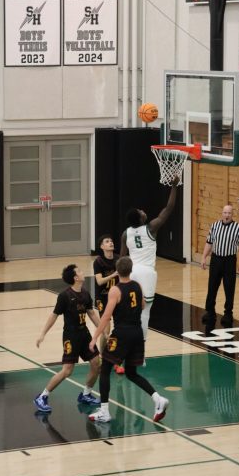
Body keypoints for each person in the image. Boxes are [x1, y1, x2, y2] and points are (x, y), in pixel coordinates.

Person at [88, 256, 168, 423]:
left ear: (118, 271)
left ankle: (104, 411)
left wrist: (95, 337)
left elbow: (106, 317)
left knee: (105, 370)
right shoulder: (137, 286)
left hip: (122, 334)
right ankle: (157, 399)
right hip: (137, 333)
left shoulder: (115, 290)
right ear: (131, 270)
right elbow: (143, 306)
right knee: (131, 373)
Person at [34, 264, 101, 413]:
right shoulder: (64, 296)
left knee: (96, 363)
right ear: (75, 278)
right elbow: (54, 315)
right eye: (80, 271)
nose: (83, 272)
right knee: (67, 370)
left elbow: (91, 313)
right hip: (71, 336)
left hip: (85, 334)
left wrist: (102, 330)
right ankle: (42, 396)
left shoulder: (85, 293)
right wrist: (43, 334)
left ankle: (86, 394)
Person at [120, 177, 179, 341]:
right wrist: (174, 186)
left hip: (131, 273)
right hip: (146, 273)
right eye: (141, 212)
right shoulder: (151, 228)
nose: (143, 211)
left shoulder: (126, 233)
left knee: (130, 311)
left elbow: (122, 259)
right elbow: (169, 207)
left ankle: (125, 343)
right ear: (140, 219)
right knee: (145, 312)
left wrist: (120, 278)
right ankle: (141, 351)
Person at [201, 204, 239, 327]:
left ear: (233, 214)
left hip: (229, 261)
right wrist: (204, 257)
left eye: (229, 213)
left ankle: (228, 313)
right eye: (225, 213)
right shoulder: (215, 226)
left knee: (229, 287)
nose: (227, 215)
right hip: (216, 259)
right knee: (212, 286)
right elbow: (209, 242)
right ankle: (210, 311)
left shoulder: (238, 228)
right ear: (222, 213)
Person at [93, 234, 124, 374]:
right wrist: (114, 274)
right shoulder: (98, 261)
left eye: (111, 241)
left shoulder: (118, 259)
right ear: (102, 247)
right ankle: (102, 358)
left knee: (120, 330)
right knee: (106, 330)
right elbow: (99, 281)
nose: (111, 242)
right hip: (103, 298)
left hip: (117, 297)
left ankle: (117, 361)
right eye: (107, 241)